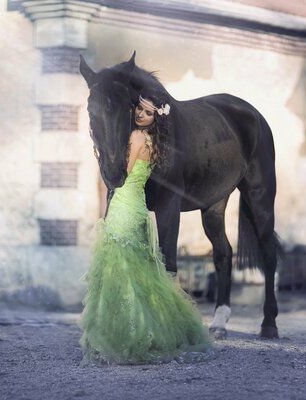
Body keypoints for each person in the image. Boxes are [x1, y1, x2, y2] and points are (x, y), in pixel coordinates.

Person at [79, 89, 213, 365]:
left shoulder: (137, 137)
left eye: (147, 112)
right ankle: (143, 326)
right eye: (139, 108)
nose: (140, 114)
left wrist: (104, 155)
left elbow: (121, 173)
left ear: (155, 118)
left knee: (120, 264)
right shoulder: (155, 142)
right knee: (136, 268)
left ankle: (126, 332)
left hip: (125, 202)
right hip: (137, 202)